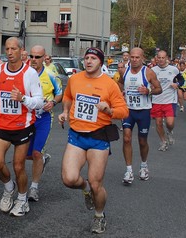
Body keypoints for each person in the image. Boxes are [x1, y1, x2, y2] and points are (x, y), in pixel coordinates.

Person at [59, 47, 128, 234]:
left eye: (93, 58)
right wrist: (65, 111)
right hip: (77, 135)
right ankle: (85, 187)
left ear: (101, 62)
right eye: (86, 58)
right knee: (69, 179)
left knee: (97, 183)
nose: (89, 61)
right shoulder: (74, 79)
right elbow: (67, 96)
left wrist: (109, 111)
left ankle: (99, 216)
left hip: (98, 136)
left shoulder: (109, 84)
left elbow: (123, 110)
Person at [0, 37, 43, 216]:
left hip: (22, 126)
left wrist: (23, 99)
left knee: (19, 166)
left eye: (13, 49)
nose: (9, 52)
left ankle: (22, 199)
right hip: (2, 124)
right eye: (7, 49)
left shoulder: (30, 73)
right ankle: (9, 187)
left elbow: (40, 101)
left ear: (21, 50)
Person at [119, 48, 162, 185]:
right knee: (126, 138)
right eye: (132, 57)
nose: (134, 59)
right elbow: (119, 83)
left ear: (142, 58)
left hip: (143, 111)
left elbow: (159, 89)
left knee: (142, 141)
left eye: (137, 57)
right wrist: (120, 93)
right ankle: (129, 170)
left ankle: (143, 165)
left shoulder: (148, 72)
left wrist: (148, 90)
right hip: (128, 111)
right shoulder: (124, 71)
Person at [26, 45, 62, 202]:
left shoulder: (50, 74)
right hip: (26, 118)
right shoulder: (24, 72)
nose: (34, 60)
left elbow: (60, 94)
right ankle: (43, 159)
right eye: (31, 56)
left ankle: (34, 188)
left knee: (36, 153)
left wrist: (53, 103)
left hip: (44, 119)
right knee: (26, 155)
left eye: (37, 57)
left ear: (44, 57)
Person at [151, 50, 183, 151]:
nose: (160, 60)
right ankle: (163, 141)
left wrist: (177, 84)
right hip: (157, 100)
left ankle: (169, 131)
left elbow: (182, 80)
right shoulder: (152, 70)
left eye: (163, 58)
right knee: (158, 123)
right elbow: (147, 81)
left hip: (170, 100)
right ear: (156, 58)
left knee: (169, 123)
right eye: (159, 58)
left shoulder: (173, 69)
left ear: (167, 58)